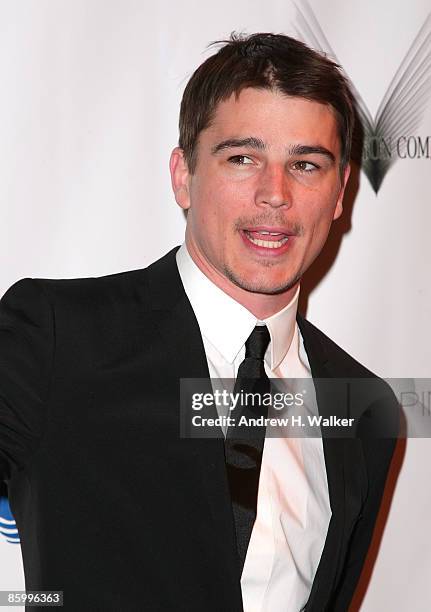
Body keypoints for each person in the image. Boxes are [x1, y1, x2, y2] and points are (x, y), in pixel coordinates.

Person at [0, 33, 399, 611]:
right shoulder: (58, 338)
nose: (275, 195)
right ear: (183, 174)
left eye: (306, 165)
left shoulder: (365, 408)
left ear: (339, 194)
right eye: (243, 158)